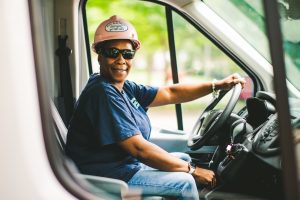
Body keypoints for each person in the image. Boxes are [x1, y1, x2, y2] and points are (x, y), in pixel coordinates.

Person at [65, 15, 246, 200]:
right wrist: (193, 171)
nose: (121, 60)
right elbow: (139, 149)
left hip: (123, 166)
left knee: (183, 159)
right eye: (113, 52)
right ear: (99, 55)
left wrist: (217, 85)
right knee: (185, 181)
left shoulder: (124, 87)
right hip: (107, 176)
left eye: (127, 54)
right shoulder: (102, 93)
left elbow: (170, 93)